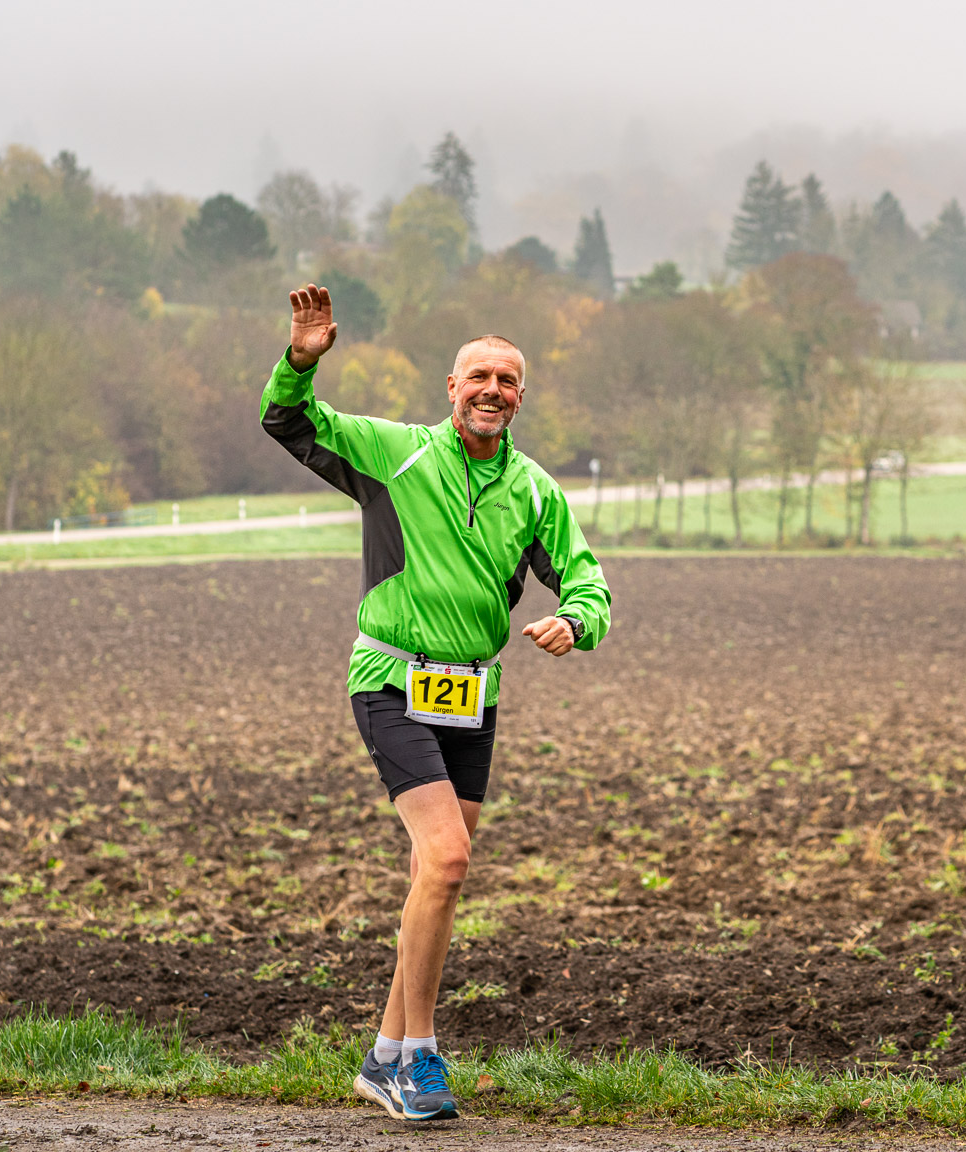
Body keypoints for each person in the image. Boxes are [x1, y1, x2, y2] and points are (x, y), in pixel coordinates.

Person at [262, 285, 611, 1121]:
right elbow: (290, 422)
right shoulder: (396, 453)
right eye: (478, 377)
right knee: (449, 859)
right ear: (451, 387)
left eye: (507, 380)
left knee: (435, 876)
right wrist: (300, 360)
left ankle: (382, 1057)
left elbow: (589, 581)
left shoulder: (535, 492)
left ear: (521, 396)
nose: (492, 390)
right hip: (390, 679)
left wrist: (574, 620)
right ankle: (419, 1054)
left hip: (470, 696)